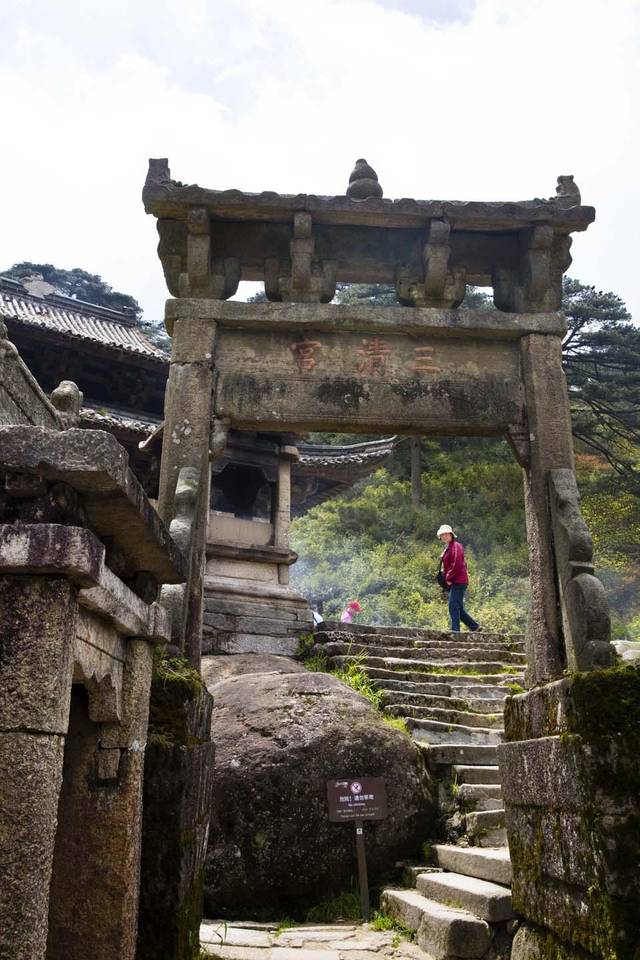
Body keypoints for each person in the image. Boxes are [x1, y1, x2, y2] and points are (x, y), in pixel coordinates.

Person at [437, 524, 480, 633]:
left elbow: (457, 563)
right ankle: (474, 627)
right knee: (458, 608)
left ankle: (455, 631)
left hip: (458, 581)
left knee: (453, 605)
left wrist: (448, 577)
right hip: (455, 581)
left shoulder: (456, 546)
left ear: (451, 534)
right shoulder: (448, 548)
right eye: (442, 535)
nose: (444, 536)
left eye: (446, 534)